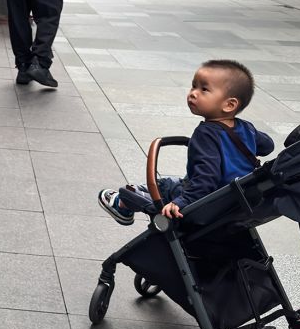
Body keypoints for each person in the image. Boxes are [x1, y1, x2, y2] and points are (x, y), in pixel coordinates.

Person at [98, 59, 275, 224]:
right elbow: (267, 145)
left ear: (229, 105)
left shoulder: (205, 134)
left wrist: (184, 201)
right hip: (233, 199)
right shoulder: (246, 128)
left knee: (165, 186)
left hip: (206, 199)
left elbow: (207, 176)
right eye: (193, 86)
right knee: (177, 181)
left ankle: (123, 203)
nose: (193, 94)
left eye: (204, 89)